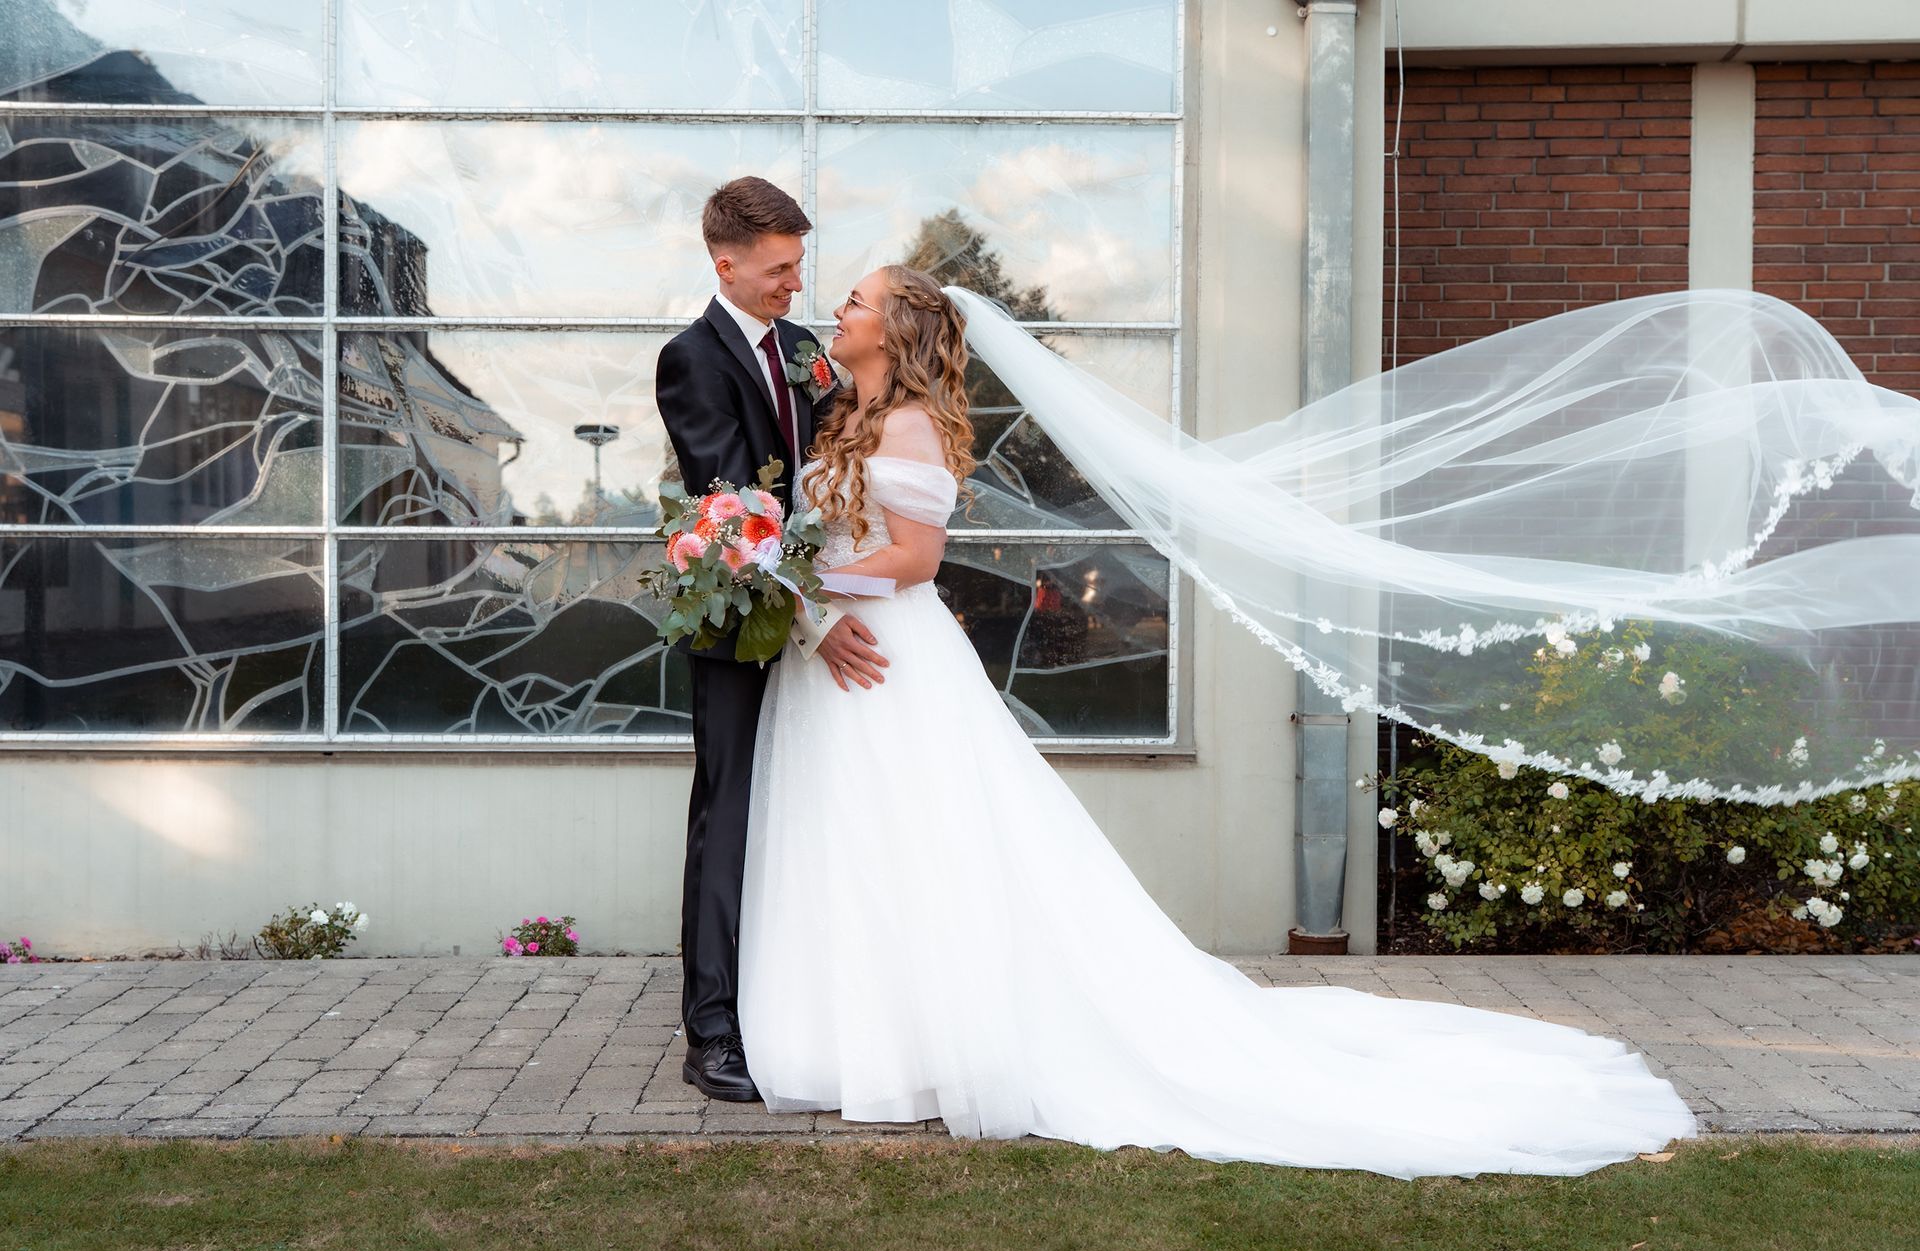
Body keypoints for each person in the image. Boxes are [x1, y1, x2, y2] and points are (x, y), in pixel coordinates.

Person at [734, 263, 1702, 1179]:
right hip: (837, 660)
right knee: (854, 845)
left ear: (895, 330)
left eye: (857, 300)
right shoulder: (844, 417)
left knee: (923, 845)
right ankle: (861, 1036)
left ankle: (933, 1042)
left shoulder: (907, 425)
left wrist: (804, 584)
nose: (840, 310)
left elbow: (914, 557)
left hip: (890, 660)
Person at [653, 177, 888, 1103]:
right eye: (780, 268)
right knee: (730, 819)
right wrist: (814, 621)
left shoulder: (804, 351)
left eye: (799, 264)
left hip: (821, 607)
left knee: (805, 821)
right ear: (728, 264)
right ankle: (711, 1030)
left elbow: (837, 475)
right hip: (742, 632)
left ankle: (797, 1005)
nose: (797, 283)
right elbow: (732, 515)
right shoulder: (691, 360)